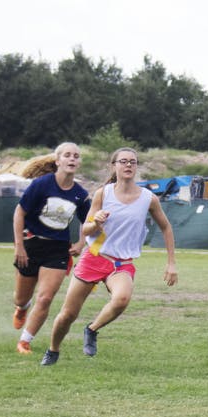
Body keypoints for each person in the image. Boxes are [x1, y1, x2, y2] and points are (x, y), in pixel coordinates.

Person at [40, 147, 178, 365]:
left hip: (121, 263)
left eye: (133, 162)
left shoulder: (148, 199)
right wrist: (97, 223)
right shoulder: (103, 193)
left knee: (122, 299)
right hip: (95, 256)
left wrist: (171, 263)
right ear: (114, 166)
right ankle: (53, 350)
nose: (128, 165)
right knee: (68, 314)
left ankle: (92, 329)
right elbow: (85, 230)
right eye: (123, 161)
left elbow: (167, 228)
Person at [11, 142, 91, 355]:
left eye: (76, 156)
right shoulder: (42, 184)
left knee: (45, 298)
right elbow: (20, 213)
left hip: (57, 249)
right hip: (31, 245)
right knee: (21, 298)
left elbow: (89, 221)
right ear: (58, 161)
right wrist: (19, 246)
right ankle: (21, 308)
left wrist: (81, 242)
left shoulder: (80, 194)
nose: (72, 159)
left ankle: (25, 341)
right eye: (67, 155)